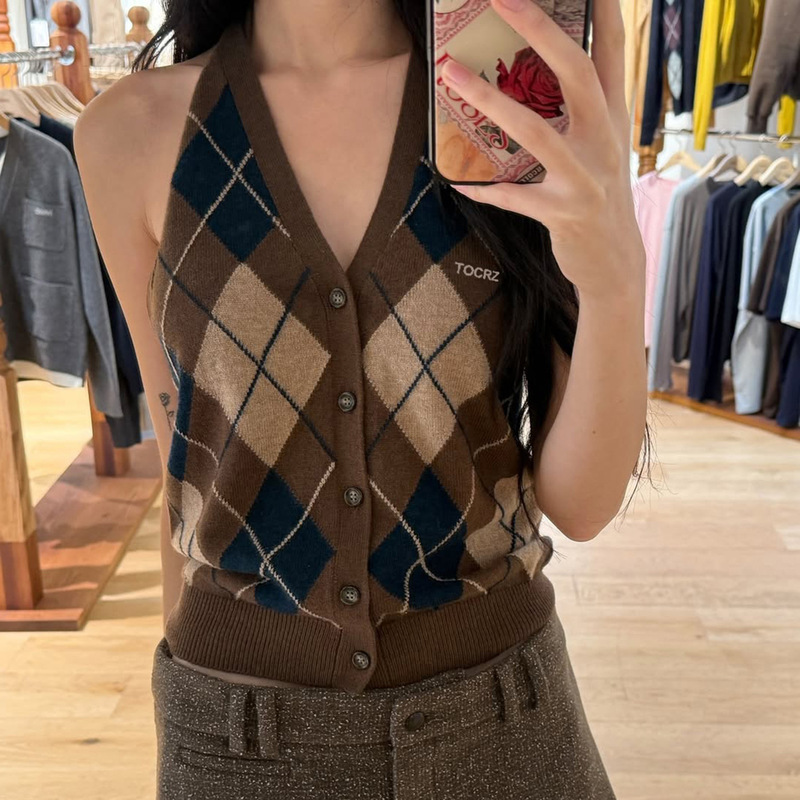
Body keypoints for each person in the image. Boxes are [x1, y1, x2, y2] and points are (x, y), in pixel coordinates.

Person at [75, 0, 650, 797]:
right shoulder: (128, 133)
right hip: (238, 743)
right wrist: (182, 730)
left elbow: (581, 506)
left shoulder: (495, 89)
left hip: (505, 730)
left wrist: (617, 277)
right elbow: (188, 465)